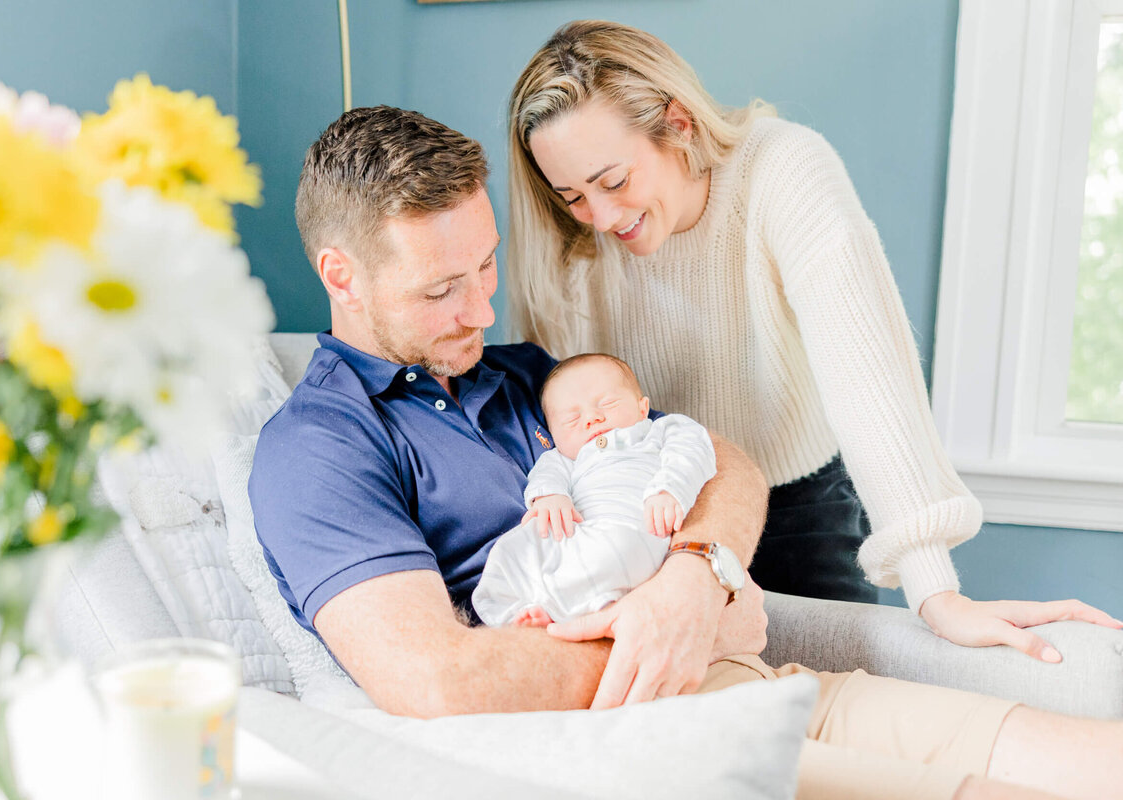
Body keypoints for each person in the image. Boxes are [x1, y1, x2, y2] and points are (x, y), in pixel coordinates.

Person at [249, 103, 1123, 800]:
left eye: (486, 268)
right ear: (341, 276)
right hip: (647, 740)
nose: (482, 309)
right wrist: (672, 634)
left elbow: (721, 459)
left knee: (1097, 761)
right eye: (442, 288)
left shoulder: (521, 375)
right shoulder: (320, 447)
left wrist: (694, 577)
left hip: (759, 679)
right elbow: (435, 682)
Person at [505, 19, 1123, 653]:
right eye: (573, 195)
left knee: (831, 695)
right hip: (649, 515)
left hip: (799, 506)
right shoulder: (572, 237)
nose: (602, 217)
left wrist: (936, 590)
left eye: (614, 182)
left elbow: (866, 372)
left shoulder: (782, 171)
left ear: (679, 124)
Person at [472, 352, 718, 627]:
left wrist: (670, 489)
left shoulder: (660, 431)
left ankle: (560, 609)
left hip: (635, 527)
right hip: (577, 529)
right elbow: (545, 475)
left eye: (607, 404)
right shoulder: (562, 459)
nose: (591, 418)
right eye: (571, 419)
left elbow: (693, 449)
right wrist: (550, 496)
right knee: (515, 548)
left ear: (642, 408)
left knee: (614, 556)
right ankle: (517, 611)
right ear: (554, 434)